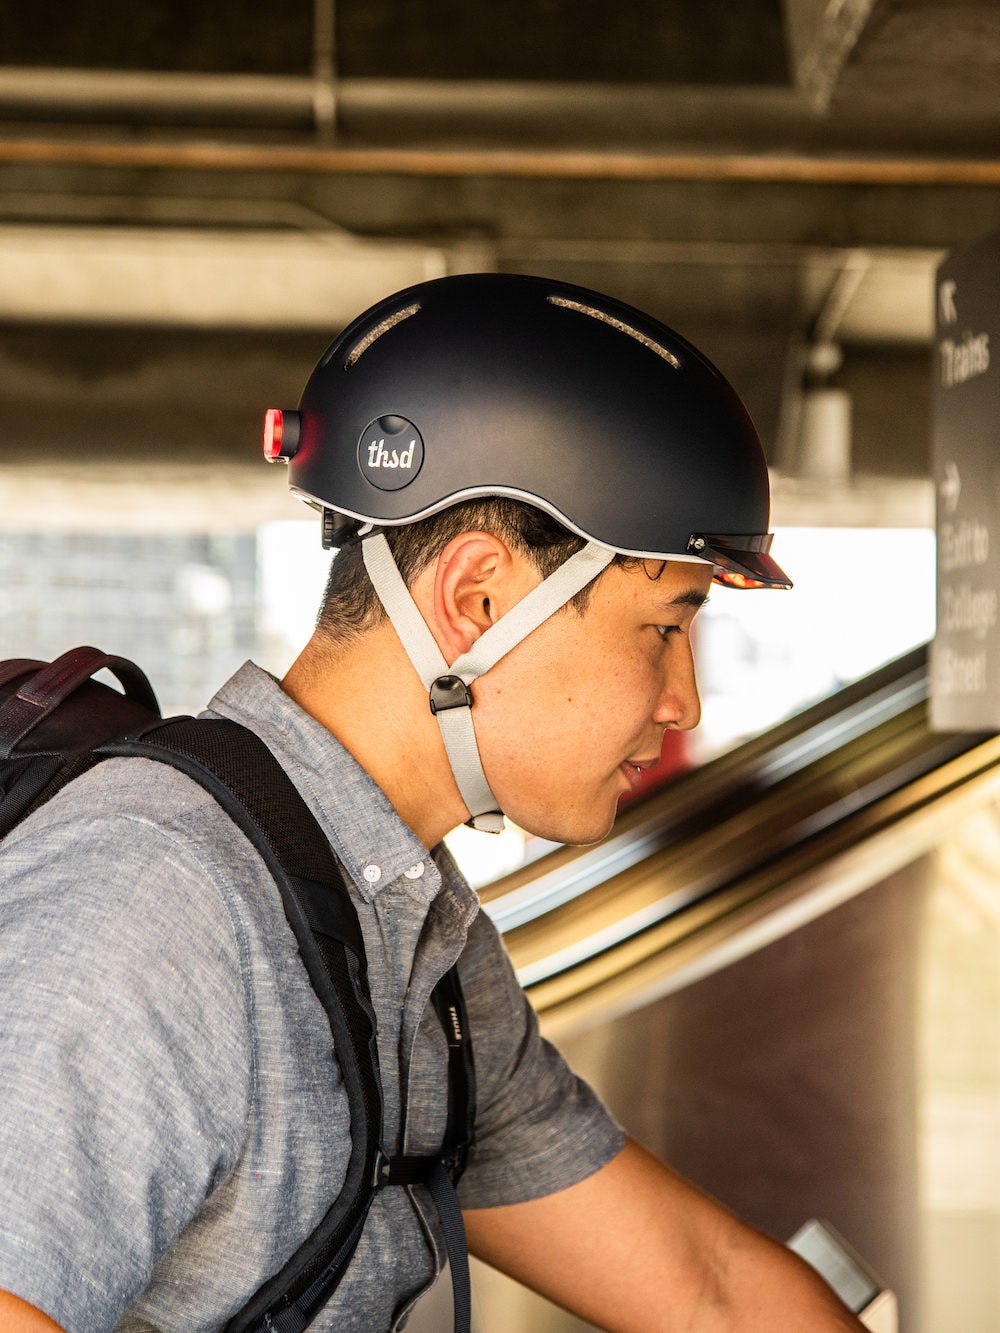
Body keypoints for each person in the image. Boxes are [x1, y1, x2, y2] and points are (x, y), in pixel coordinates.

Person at [0, 274, 866, 1331]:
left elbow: (705, 1287)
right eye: (663, 627)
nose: (682, 701)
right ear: (476, 598)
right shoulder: (158, 899)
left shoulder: (416, 946)